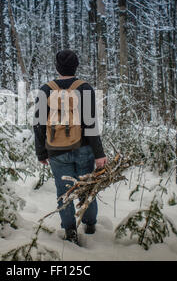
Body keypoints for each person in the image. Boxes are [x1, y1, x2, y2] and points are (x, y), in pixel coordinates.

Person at [33, 49, 107, 245]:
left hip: (56, 151)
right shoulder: (84, 88)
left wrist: (41, 152)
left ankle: (70, 230)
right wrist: (99, 154)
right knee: (87, 188)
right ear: (76, 66)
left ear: (57, 68)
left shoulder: (45, 90)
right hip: (84, 150)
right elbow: (91, 124)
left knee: (63, 191)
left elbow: (38, 124)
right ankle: (90, 224)